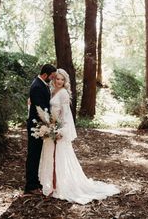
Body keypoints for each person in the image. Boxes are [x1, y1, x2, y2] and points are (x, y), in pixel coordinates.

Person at [38, 68, 120, 204]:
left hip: (58, 130)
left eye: (62, 79)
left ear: (65, 81)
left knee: (59, 158)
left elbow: (66, 115)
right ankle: (50, 184)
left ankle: (60, 185)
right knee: (50, 157)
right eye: (57, 78)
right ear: (53, 79)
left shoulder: (63, 93)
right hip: (50, 126)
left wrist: (61, 131)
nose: (59, 81)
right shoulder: (51, 91)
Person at [24, 63, 57, 194]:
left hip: (39, 125)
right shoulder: (37, 86)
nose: (53, 79)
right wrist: (49, 123)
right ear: (45, 75)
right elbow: (41, 109)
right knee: (33, 155)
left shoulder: (40, 83)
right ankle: (31, 185)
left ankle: (35, 182)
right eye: (52, 76)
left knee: (36, 154)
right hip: (35, 126)